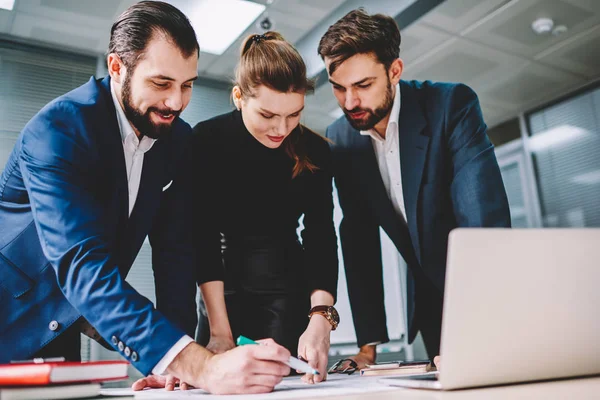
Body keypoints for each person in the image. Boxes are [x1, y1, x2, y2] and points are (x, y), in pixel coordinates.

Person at [0, 1, 291, 395]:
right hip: (10, 316)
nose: (176, 102)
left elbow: (175, 253)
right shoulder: (57, 132)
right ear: (118, 68)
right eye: (161, 83)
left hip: (63, 328)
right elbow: (82, 266)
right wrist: (203, 367)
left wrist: (176, 360)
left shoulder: (177, 141)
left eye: (187, 85)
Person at [318, 9, 511, 372]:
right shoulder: (341, 138)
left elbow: (482, 218)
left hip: (483, 292)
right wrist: (367, 347)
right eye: (338, 88)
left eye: (362, 86)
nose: (349, 103)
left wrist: (485, 322)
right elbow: (358, 237)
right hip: (430, 302)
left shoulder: (450, 106)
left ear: (394, 71)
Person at [190, 31, 340, 383]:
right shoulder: (206, 141)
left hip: (288, 290)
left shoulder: (316, 151)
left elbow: (320, 235)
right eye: (269, 115)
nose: (282, 129)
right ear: (239, 97)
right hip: (219, 293)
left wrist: (320, 316)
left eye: (294, 115)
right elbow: (203, 237)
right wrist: (220, 331)